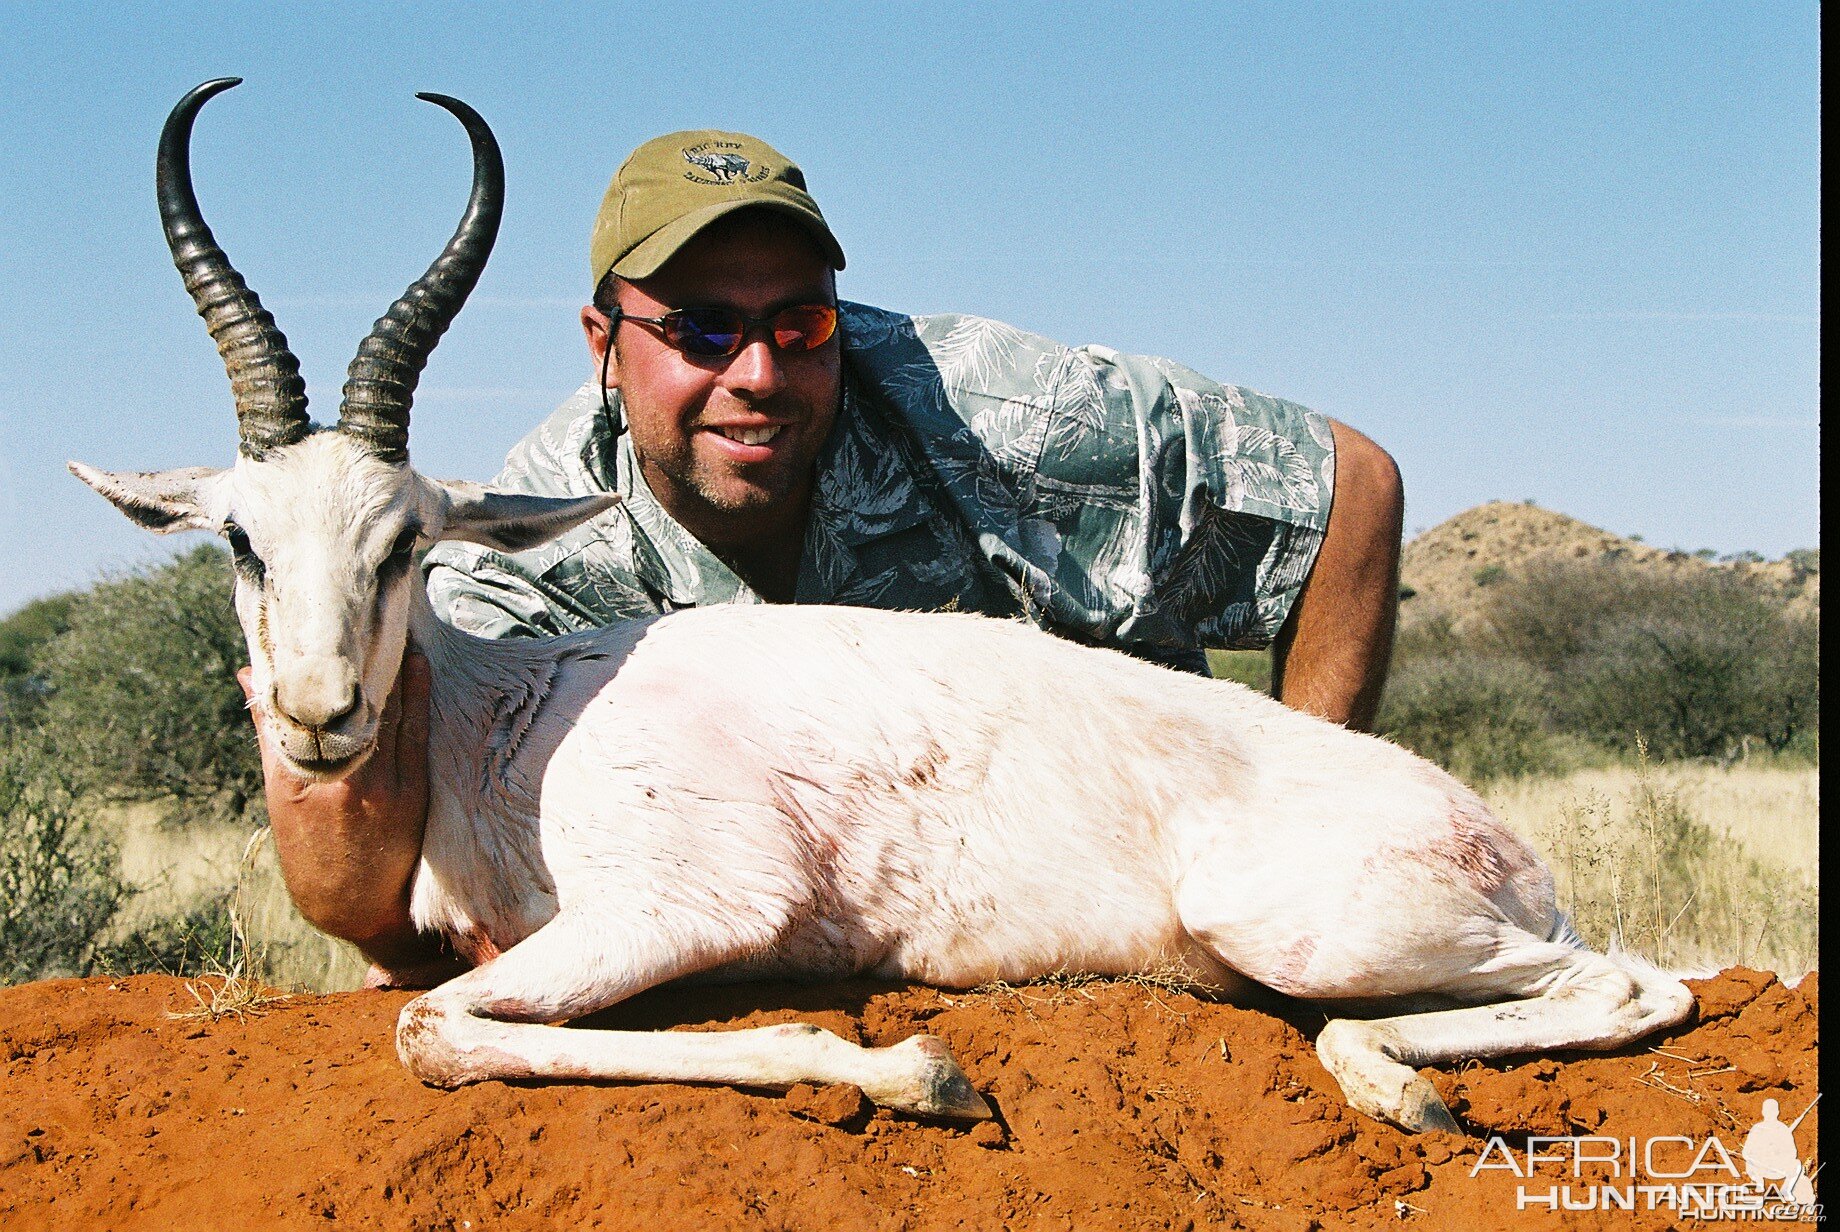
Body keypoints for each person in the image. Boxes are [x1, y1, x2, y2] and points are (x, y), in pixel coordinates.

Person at [246, 130, 1405, 980]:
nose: (757, 372)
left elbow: (1347, 484)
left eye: (798, 325)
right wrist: (351, 892)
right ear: (604, 340)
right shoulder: (516, 559)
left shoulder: (986, 408)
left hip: (1141, 899)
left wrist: (1299, 823)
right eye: (702, 328)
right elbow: (401, 892)